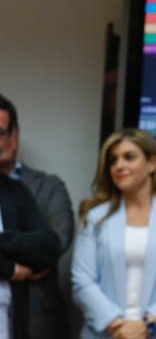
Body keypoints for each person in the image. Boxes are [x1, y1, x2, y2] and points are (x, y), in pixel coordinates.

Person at [72, 129, 156, 339]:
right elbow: (82, 280)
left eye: (129, 157)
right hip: (106, 334)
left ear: (152, 164)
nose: (119, 166)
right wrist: (118, 327)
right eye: (113, 160)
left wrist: (146, 326)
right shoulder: (95, 217)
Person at [0, 94, 74, 339]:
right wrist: (11, 265)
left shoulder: (47, 186)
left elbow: (54, 244)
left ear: (15, 135)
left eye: (1, 132)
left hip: (36, 313)